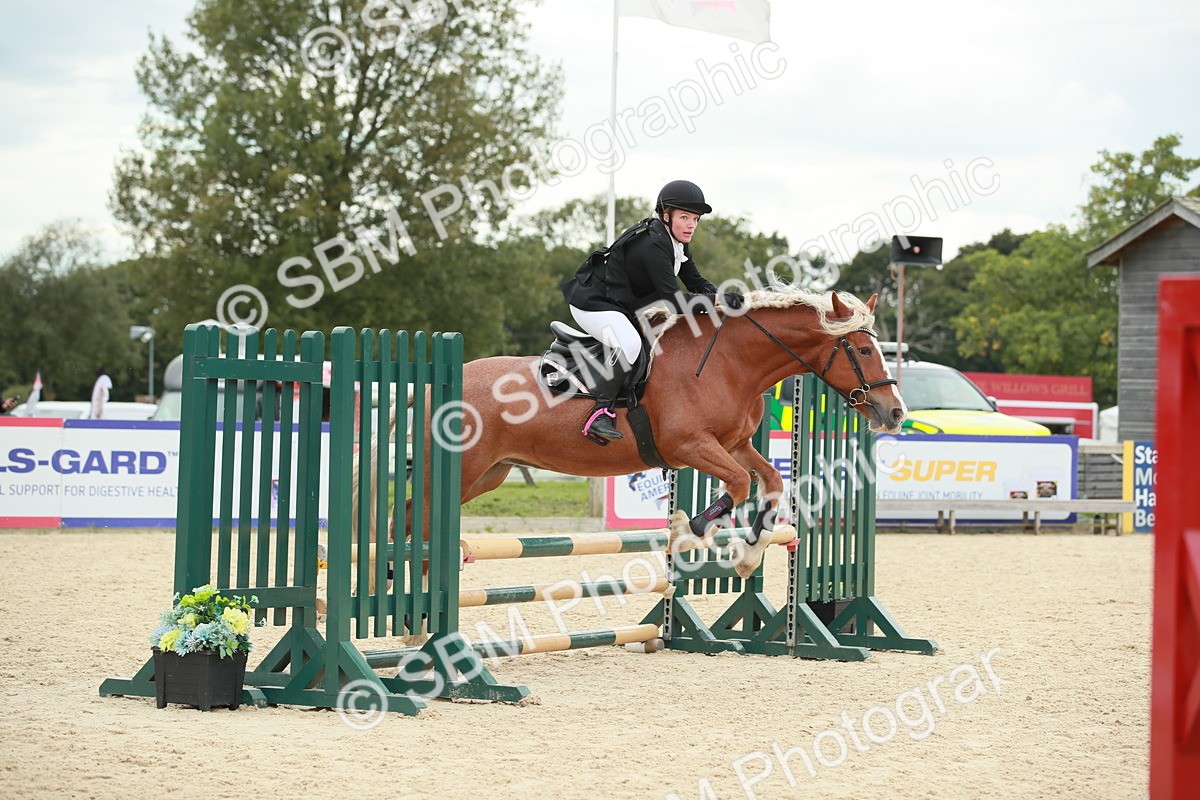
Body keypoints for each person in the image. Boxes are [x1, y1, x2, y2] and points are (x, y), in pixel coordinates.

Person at [561, 179, 743, 441]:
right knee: (630, 344)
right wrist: (716, 302)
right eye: (685, 217)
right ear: (666, 216)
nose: (692, 225)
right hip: (593, 304)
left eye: (695, 219)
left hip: (620, 305)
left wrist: (722, 296)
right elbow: (676, 303)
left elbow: (696, 282)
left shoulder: (676, 242)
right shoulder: (653, 246)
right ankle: (599, 413)